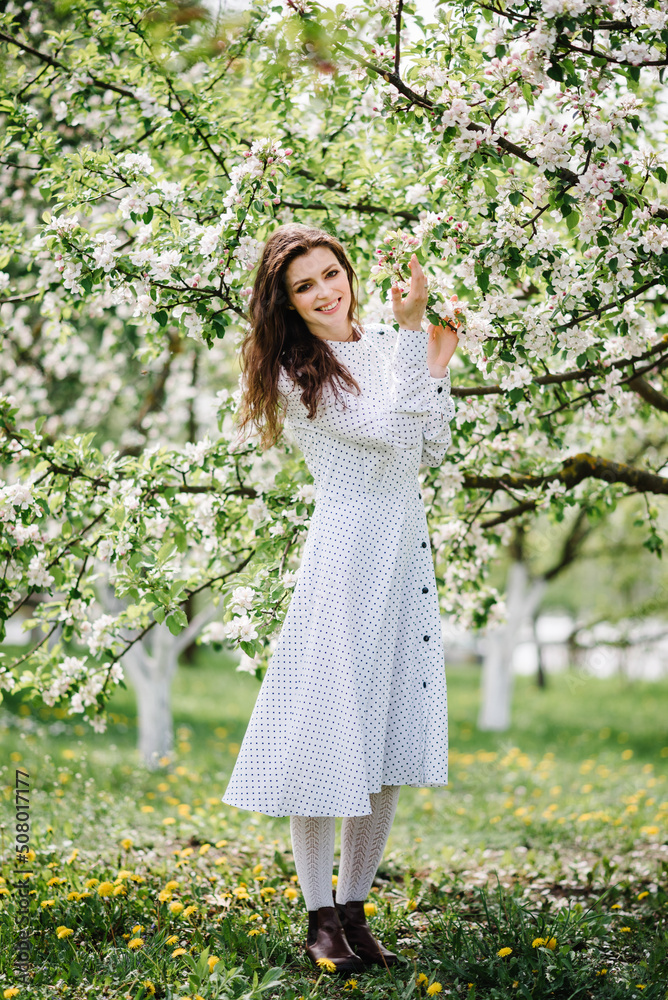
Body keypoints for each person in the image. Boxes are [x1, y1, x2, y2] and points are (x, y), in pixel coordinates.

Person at [222, 223, 459, 974]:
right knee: (328, 732)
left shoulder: (391, 342)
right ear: (287, 305)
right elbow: (388, 433)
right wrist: (423, 348)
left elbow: (430, 447)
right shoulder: (299, 372)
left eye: (333, 274)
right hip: (348, 555)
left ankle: (356, 911)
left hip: (402, 553)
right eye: (306, 286)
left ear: (349, 273)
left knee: (383, 741)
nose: (327, 292)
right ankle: (318, 917)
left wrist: (428, 363)